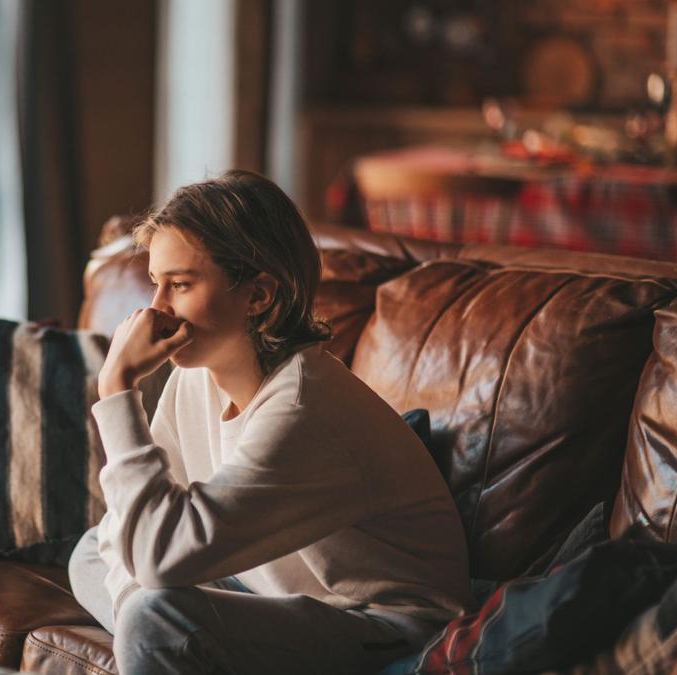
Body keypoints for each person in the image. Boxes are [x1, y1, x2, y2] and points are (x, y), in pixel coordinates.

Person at [68, 170, 473, 674]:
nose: (157, 310)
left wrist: (117, 390)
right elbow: (138, 530)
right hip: (262, 585)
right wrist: (147, 584)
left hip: (380, 627)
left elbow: (158, 555)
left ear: (258, 296)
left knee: (156, 612)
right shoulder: (197, 375)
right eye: (156, 283)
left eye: (180, 285)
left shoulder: (304, 409)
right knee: (93, 550)